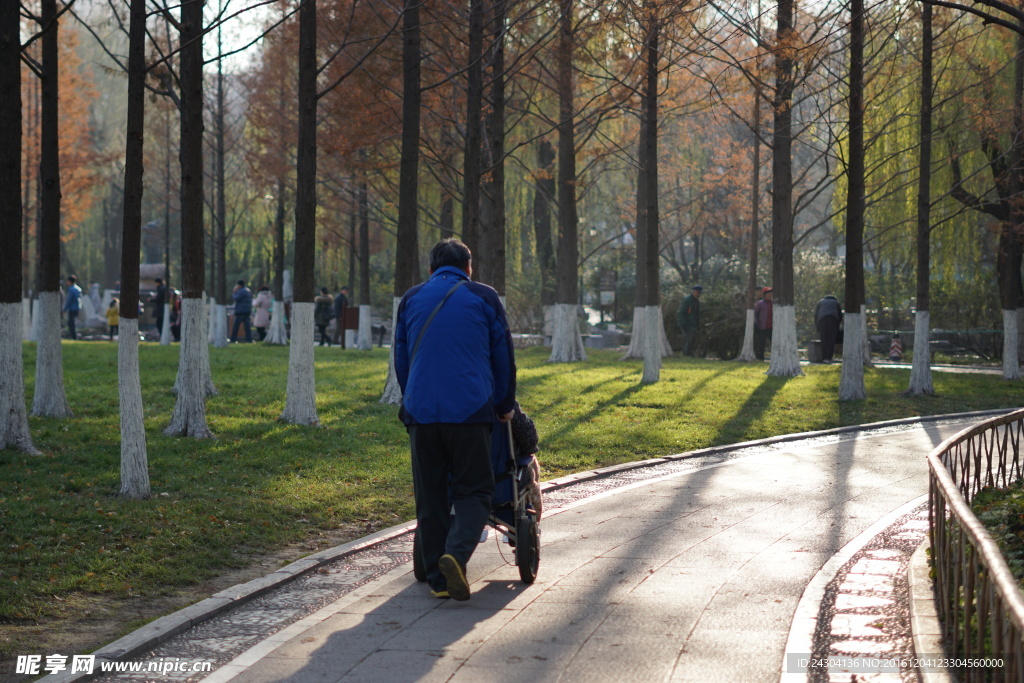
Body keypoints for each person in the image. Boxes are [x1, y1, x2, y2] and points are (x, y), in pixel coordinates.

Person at [394, 238, 517, 601]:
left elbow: (402, 360)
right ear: (469, 267)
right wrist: (504, 403)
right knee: (475, 490)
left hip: (421, 412)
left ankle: (438, 581)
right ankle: (456, 555)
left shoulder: (412, 298)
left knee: (430, 496)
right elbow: (503, 356)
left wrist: (412, 398)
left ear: (431, 269)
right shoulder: (484, 296)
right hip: (469, 409)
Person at [815, 294, 843, 362]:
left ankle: (824, 357)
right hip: (833, 320)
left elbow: (816, 314)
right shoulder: (836, 303)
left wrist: (817, 326)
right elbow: (840, 315)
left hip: (822, 321)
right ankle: (829, 357)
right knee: (831, 339)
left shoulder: (820, 302)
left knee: (824, 339)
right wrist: (838, 325)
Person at [677, 285, 703, 356]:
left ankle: (690, 353)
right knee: (688, 339)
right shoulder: (687, 300)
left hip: (693, 324)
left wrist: (697, 324)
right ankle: (686, 354)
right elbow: (681, 312)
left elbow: (697, 314)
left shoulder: (697, 301)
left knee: (692, 339)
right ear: (693, 291)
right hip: (686, 324)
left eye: (699, 293)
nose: (699, 294)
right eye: (697, 292)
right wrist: (683, 323)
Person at [753, 287, 773, 361]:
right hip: (762, 327)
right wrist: (755, 322)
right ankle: (760, 358)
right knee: (762, 343)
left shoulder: (773, 303)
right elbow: (755, 314)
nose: (770, 295)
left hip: (771, 327)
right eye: (768, 293)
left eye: (771, 293)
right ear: (764, 295)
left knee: (773, 342)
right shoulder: (760, 304)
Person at [63, 275, 83, 340]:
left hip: (72, 308)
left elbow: (69, 300)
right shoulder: (78, 289)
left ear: (69, 281)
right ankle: (74, 336)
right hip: (77, 308)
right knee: (73, 322)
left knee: (71, 323)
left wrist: (65, 309)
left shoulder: (71, 289)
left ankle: (73, 337)